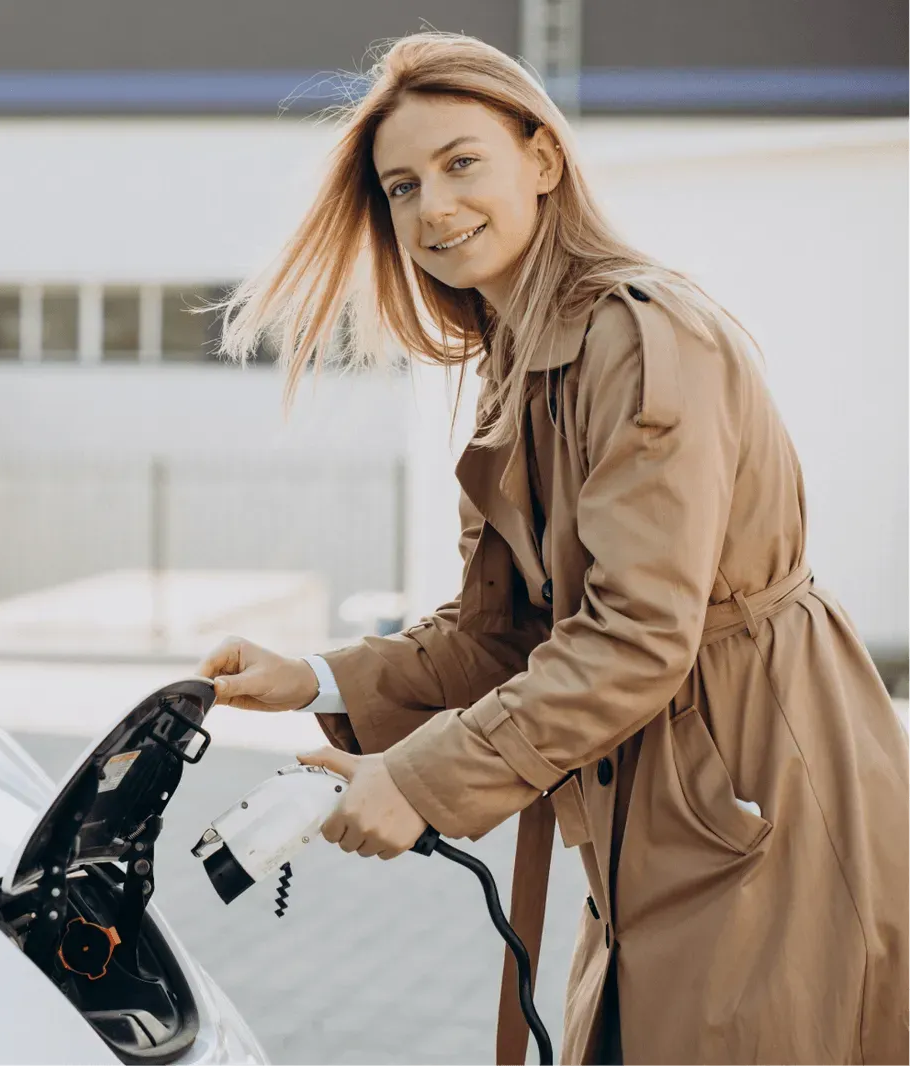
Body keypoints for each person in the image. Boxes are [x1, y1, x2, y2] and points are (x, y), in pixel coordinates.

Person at [196, 31, 909, 1066]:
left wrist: (415, 782)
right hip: (654, 805)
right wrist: (311, 677)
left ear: (541, 160)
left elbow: (630, 637)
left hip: (764, 783)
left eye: (459, 163)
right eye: (401, 187)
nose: (431, 207)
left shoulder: (641, 335)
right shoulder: (520, 362)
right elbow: (504, 630)